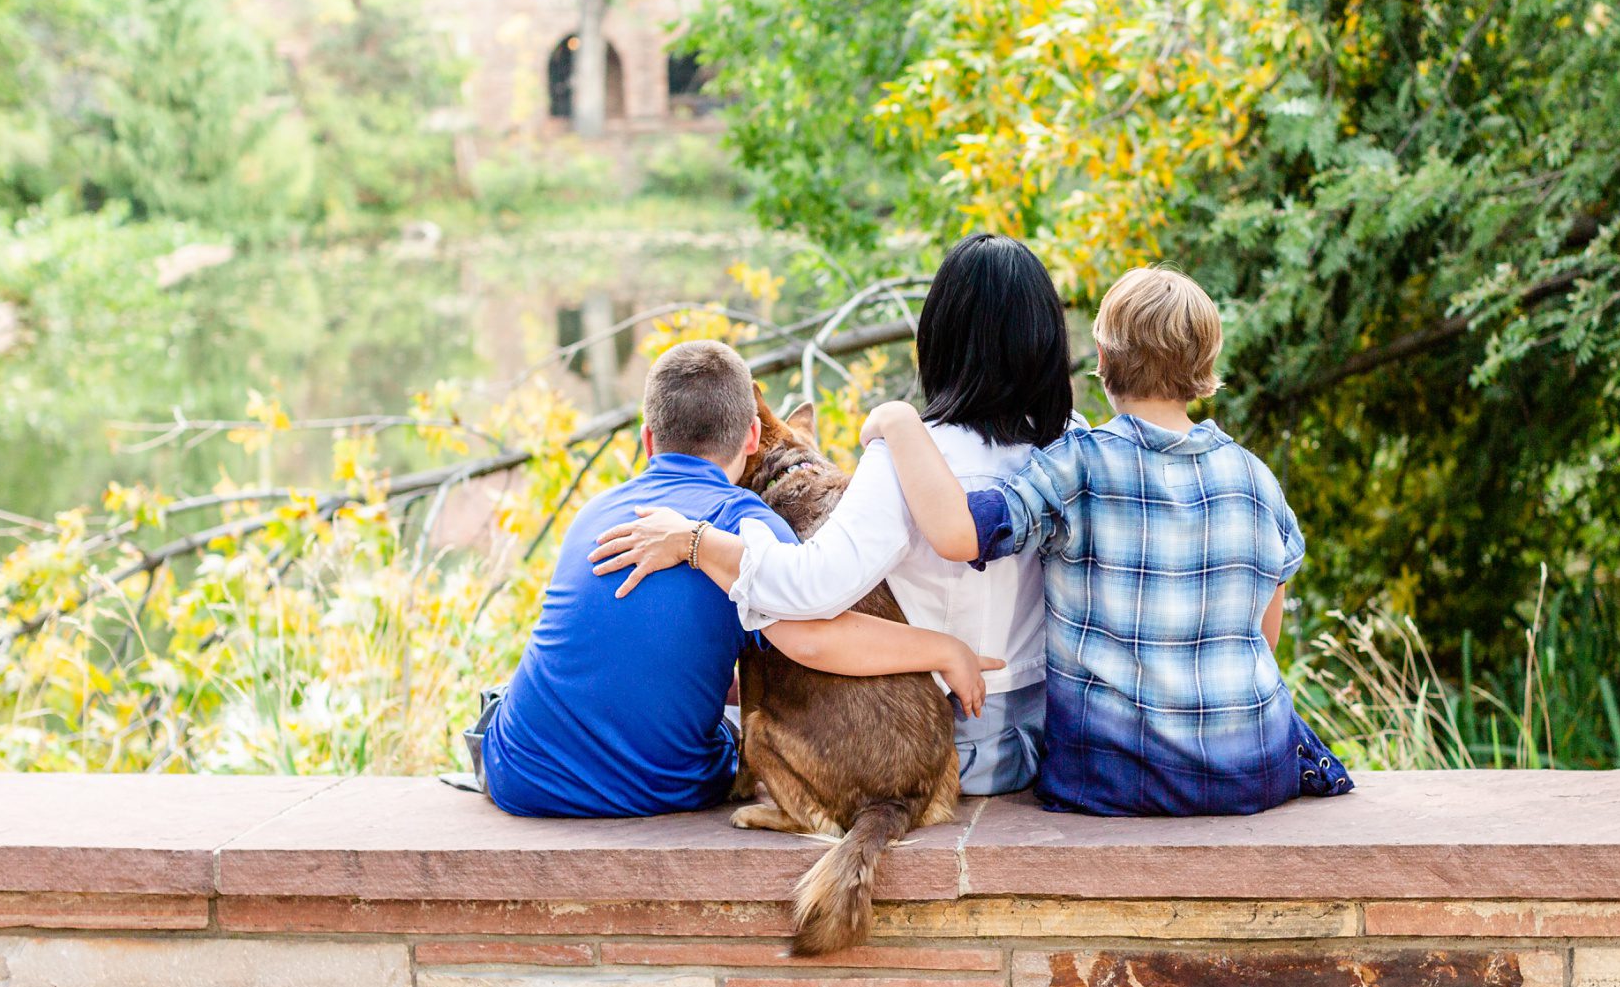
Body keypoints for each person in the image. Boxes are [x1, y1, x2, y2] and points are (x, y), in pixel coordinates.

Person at [589, 234, 1075, 795]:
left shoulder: (905, 460)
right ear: (1045, 342)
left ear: (937, 342)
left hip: (948, 749)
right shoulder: (1069, 450)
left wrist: (695, 541)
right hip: (1046, 741)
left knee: (722, 722)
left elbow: (811, 590)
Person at [862, 266, 1354, 817]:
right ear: (1208, 365)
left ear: (1101, 356)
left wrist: (898, 422)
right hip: (1252, 768)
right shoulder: (1255, 478)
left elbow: (958, 534)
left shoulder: (1079, 465)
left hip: (1113, 777)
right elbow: (1264, 634)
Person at [480, 339, 1000, 819]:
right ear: (753, 437)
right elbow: (815, 641)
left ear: (647, 440)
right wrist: (945, 650)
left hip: (517, 774)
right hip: (661, 788)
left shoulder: (596, 512)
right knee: (734, 737)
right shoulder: (749, 521)